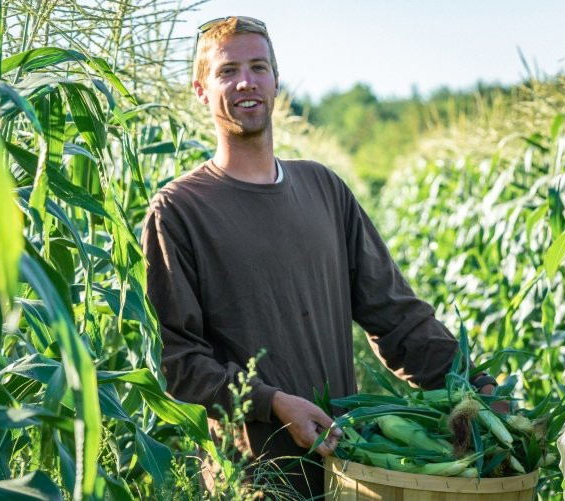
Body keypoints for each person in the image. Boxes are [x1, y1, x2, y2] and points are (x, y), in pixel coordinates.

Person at [141, 16, 498, 497]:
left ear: (276, 83)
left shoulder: (323, 188)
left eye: (258, 67)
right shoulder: (180, 210)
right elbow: (178, 361)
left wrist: (472, 384)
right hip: (255, 478)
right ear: (201, 90)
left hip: (346, 468)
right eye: (227, 71)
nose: (246, 81)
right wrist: (273, 403)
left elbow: (395, 316)